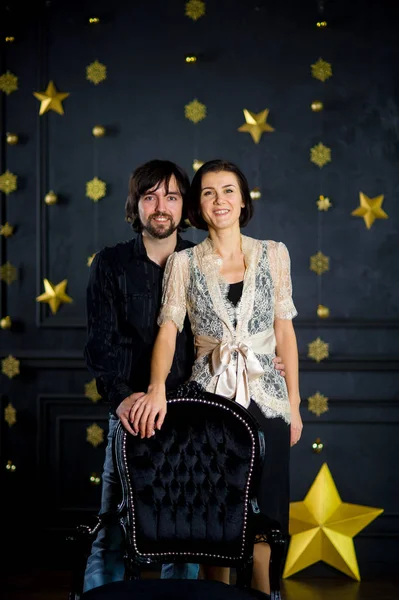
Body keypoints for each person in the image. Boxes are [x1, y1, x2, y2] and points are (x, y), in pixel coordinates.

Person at [83, 159, 287, 592]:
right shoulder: (111, 264)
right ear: (135, 204)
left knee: (190, 540)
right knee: (113, 530)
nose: (161, 206)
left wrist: (270, 358)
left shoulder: (200, 260)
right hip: (131, 413)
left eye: (171, 197)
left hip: (193, 414)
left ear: (183, 207)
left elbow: (240, 324)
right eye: (150, 196)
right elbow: (99, 348)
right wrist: (125, 401)